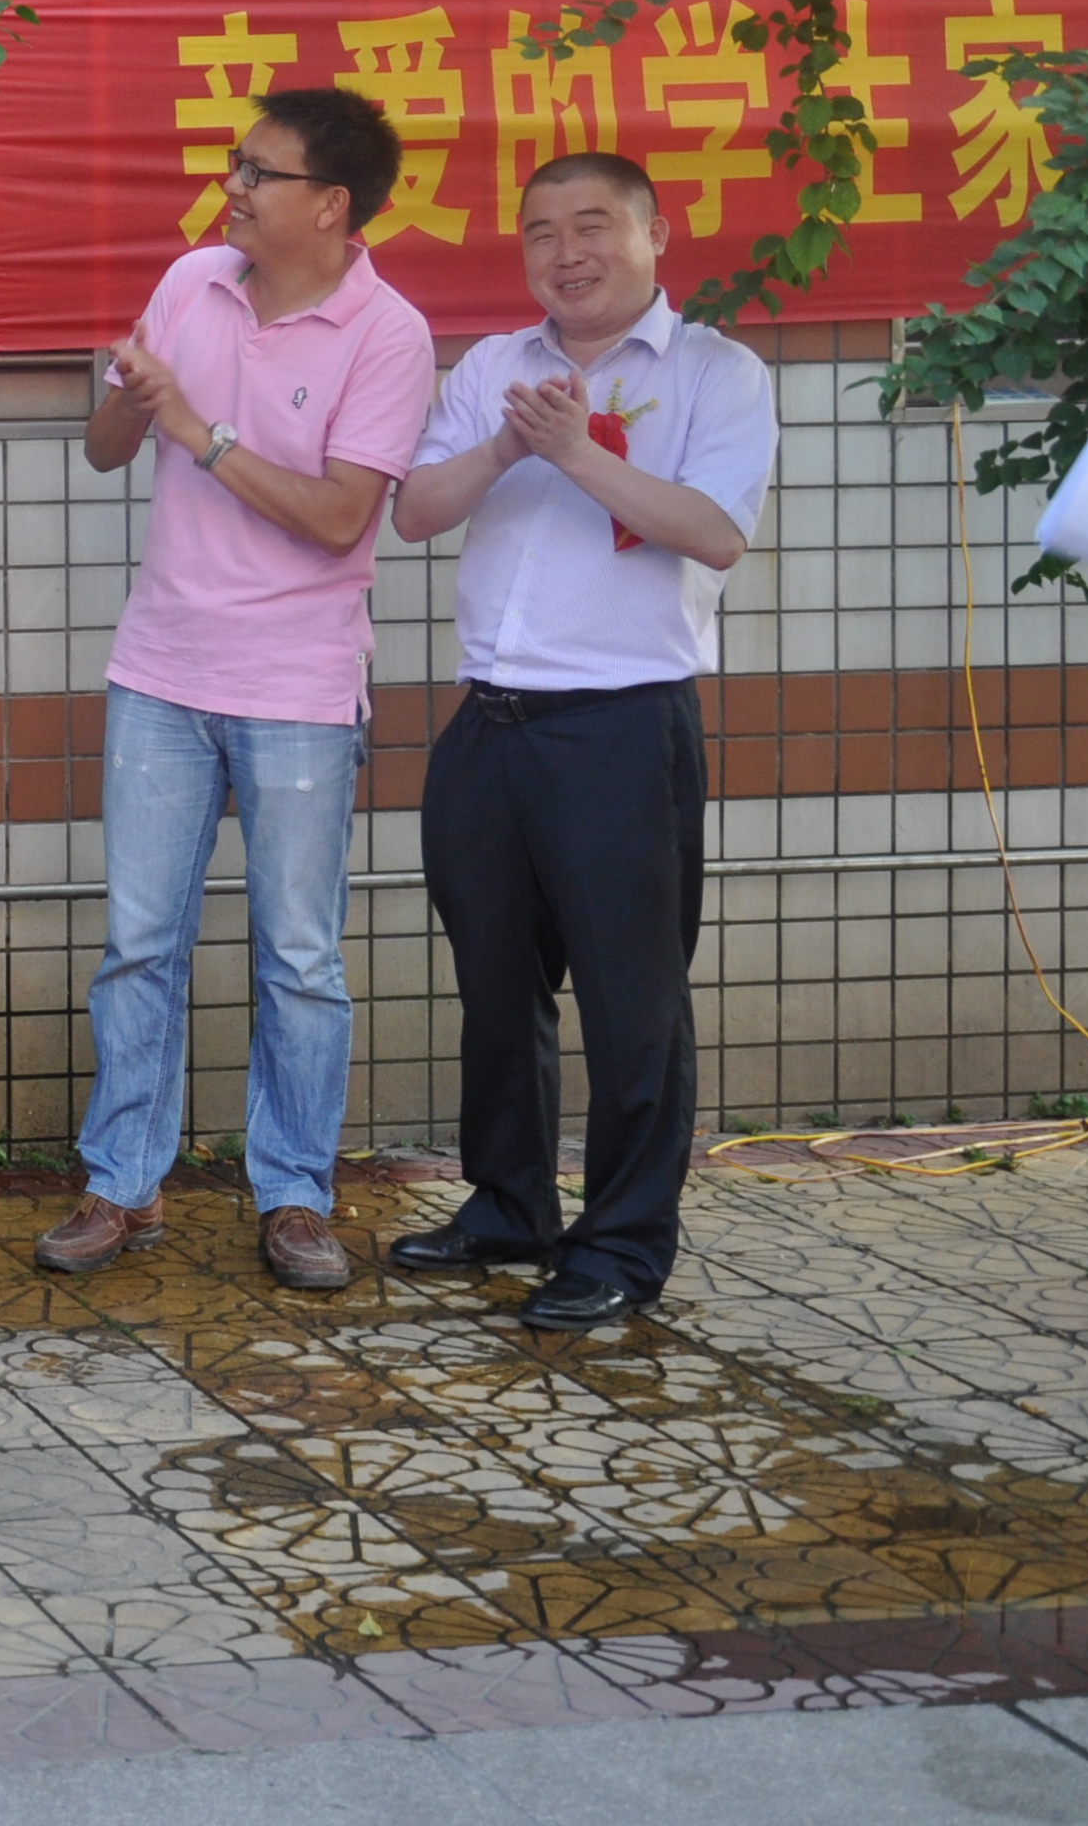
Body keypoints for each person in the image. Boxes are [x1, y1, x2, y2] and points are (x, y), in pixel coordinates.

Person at [45, 86, 435, 1293]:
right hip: (160, 668)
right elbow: (106, 447)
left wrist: (201, 429)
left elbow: (338, 517)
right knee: (138, 943)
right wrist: (131, 397)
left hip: (299, 683)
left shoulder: (389, 333)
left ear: (330, 203)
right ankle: (123, 1184)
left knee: (299, 955)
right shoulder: (190, 280)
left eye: (260, 172)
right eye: (235, 164)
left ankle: (296, 1193)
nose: (234, 187)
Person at [388, 151, 774, 1332]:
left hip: (620, 724)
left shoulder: (716, 371)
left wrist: (574, 452)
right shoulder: (494, 367)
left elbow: (713, 531)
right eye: (541, 231)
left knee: (630, 1002)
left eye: (593, 225)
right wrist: (508, 447)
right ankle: (508, 1205)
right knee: (497, 989)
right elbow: (413, 509)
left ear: (656, 233)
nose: (566, 252)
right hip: (489, 721)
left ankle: (620, 1243)